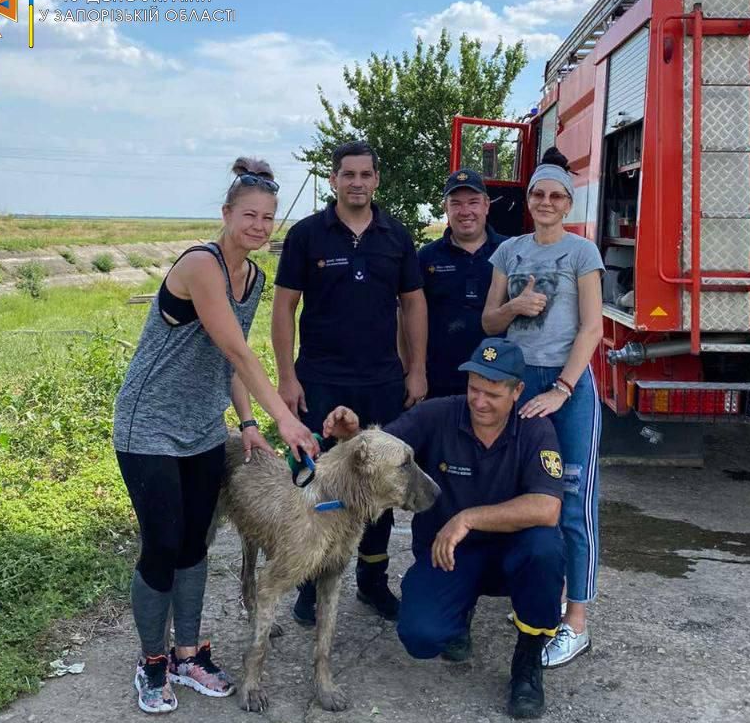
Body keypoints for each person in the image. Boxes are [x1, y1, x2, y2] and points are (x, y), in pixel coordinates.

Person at [113, 157, 318, 714]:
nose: (258, 225)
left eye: (268, 218)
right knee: (161, 545)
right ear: (226, 214)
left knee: (195, 544)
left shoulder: (253, 277)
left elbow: (227, 366)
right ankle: (151, 661)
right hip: (149, 426)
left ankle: (188, 653)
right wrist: (286, 419)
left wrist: (249, 422)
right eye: (248, 214)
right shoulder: (201, 265)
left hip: (204, 429)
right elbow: (237, 349)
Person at [322, 338, 565, 720]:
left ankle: (527, 663)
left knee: (546, 548)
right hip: (450, 555)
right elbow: (384, 447)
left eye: (493, 394)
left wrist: (467, 518)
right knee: (420, 637)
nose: (479, 402)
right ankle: (458, 613)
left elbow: (548, 507)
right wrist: (354, 435)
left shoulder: (536, 431)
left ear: (518, 392)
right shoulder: (439, 414)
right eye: (474, 390)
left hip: (513, 557)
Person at [271, 139, 428, 624]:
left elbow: (414, 304)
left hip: (381, 381)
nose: (357, 182)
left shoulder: (396, 236)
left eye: (365, 174)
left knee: (377, 484)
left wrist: (417, 367)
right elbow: (284, 307)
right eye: (348, 174)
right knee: (313, 480)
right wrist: (286, 376)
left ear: (377, 179)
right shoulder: (306, 236)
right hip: (318, 380)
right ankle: (307, 582)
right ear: (334, 179)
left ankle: (372, 582)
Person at [482, 162, 604, 669]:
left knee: (572, 504)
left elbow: (592, 328)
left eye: (557, 195)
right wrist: (516, 306)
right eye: (538, 194)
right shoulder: (509, 251)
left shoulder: (582, 252)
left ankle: (575, 622)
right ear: (528, 199)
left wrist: (561, 388)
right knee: (520, 497)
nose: (547, 202)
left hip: (566, 386)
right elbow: (489, 321)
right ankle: (535, 599)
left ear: (568, 203)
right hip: (516, 383)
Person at [416, 168, 507, 398]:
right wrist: (412, 370)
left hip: (497, 380)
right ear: (445, 207)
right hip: (440, 380)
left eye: (473, 202)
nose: (465, 211)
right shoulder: (425, 258)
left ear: (486, 205)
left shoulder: (511, 251)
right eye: (456, 203)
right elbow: (408, 315)